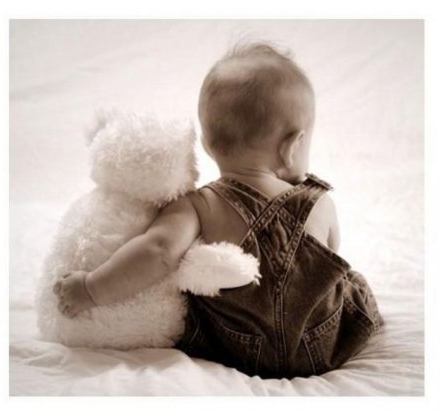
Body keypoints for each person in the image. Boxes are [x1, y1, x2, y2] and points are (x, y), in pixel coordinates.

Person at [53, 42, 383, 379]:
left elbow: (157, 251)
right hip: (321, 345)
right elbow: (329, 264)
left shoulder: (198, 205)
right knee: (353, 283)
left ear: (208, 146)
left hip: (233, 348)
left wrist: (91, 288)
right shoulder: (320, 203)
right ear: (292, 147)